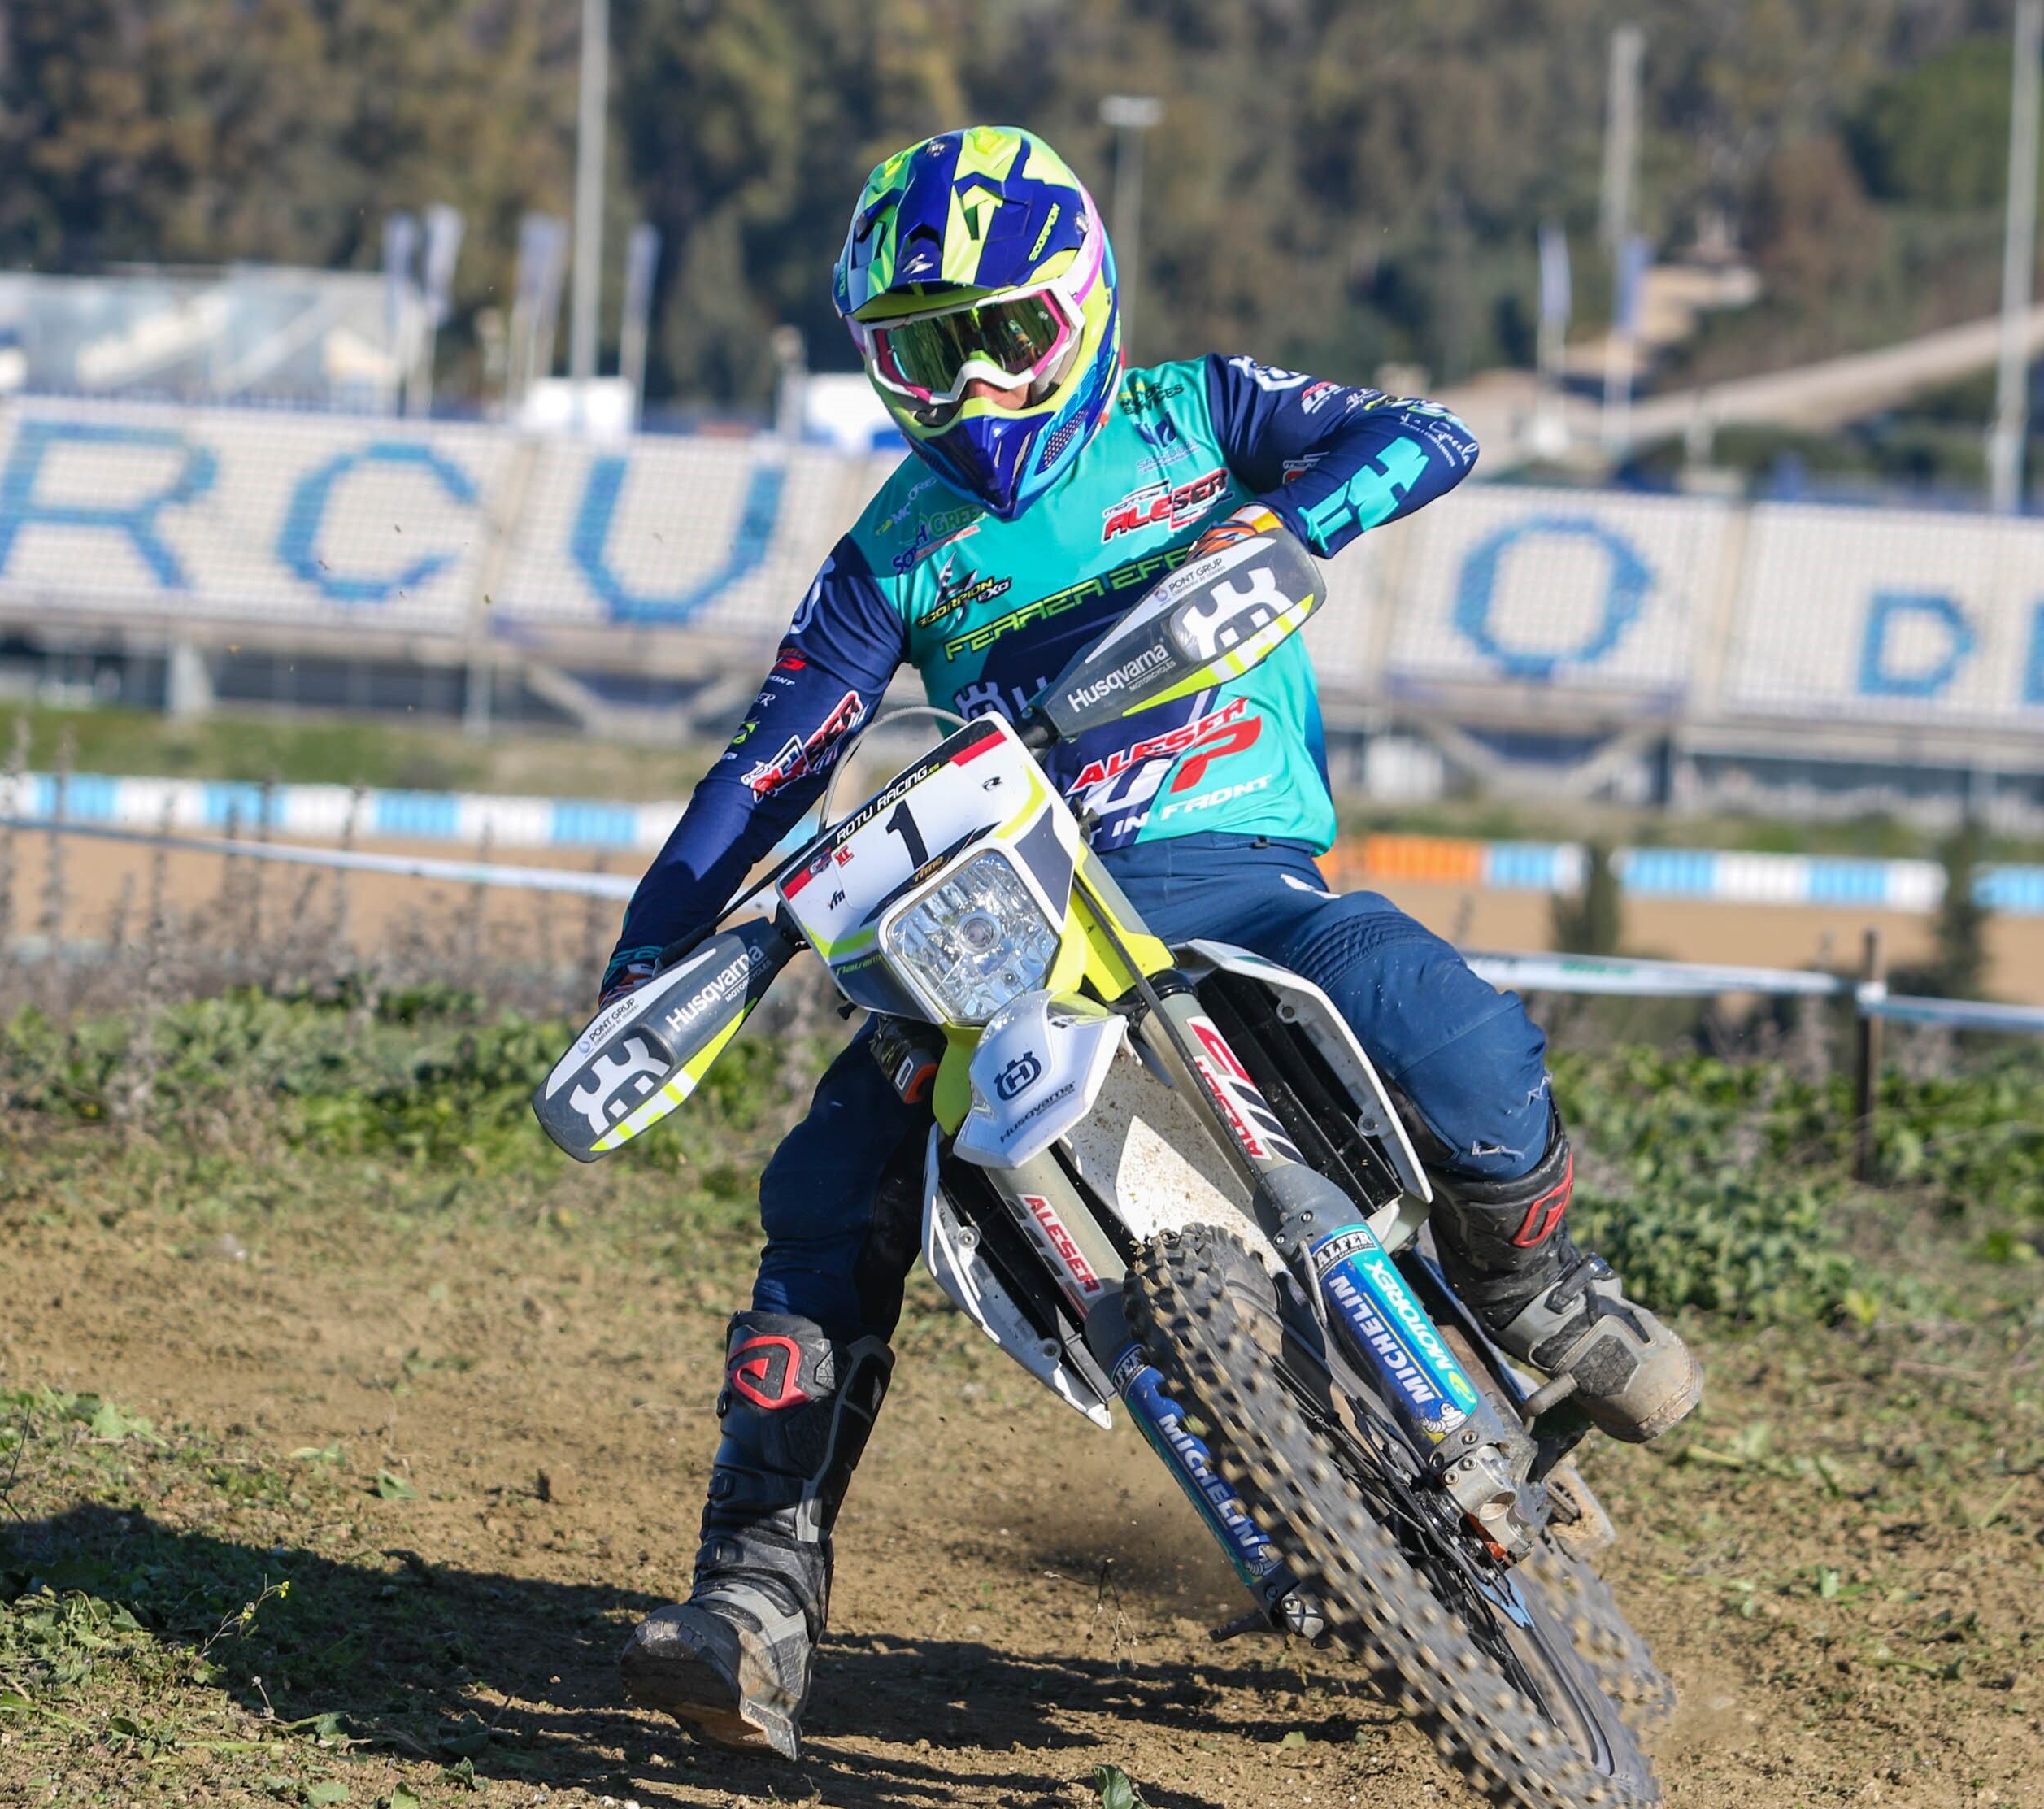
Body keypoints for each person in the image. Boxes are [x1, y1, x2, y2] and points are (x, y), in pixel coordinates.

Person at [601, 125, 1702, 1757]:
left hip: (1231, 869)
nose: (973, 390)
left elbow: (1426, 431)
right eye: (926, 354)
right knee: (825, 1193)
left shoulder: (1194, 414)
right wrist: (654, 957)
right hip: (1000, 930)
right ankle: (754, 1589)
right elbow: (767, 765)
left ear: (1083, 302)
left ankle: (1532, 1286)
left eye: (1004, 337)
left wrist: (1293, 526)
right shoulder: (890, 553)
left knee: (1441, 1014)